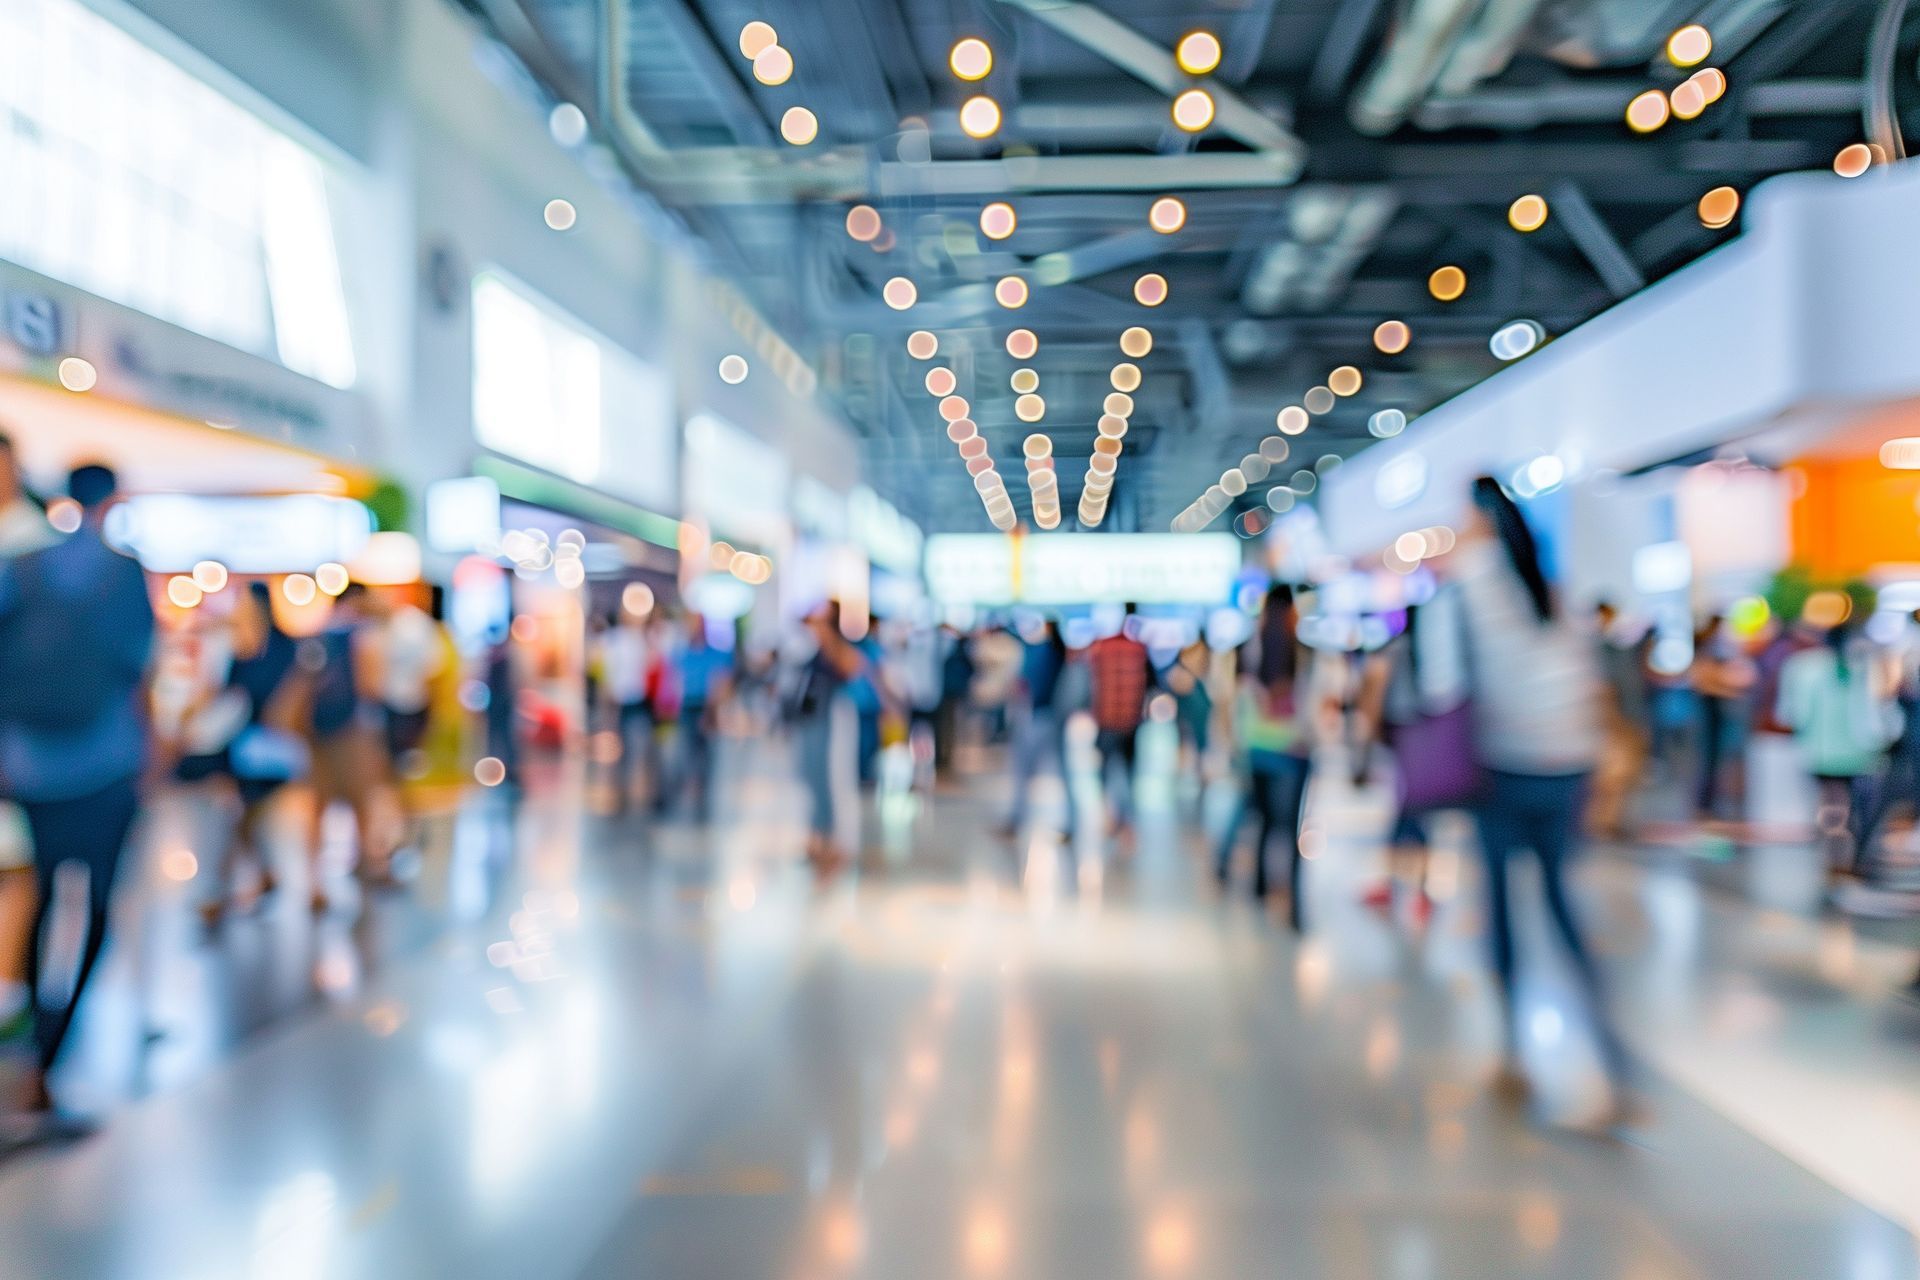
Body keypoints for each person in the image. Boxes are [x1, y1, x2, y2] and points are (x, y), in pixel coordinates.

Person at [1451, 476, 1632, 1122]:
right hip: (1568, 764)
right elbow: (1584, 678)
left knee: (1502, 907)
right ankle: (1615, 1067)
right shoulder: (1552, 581)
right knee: (1563, 906)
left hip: (1505, 764)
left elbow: (1446, 681)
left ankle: (1511, 1054)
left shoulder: (1472, 578)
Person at [0, 463, 155, 1117]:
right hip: (108, 761)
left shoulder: (23, 565)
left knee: (38, 896)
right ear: (115, 499)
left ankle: (36, 1024)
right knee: (94, 903)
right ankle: (53, 1046)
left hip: (32, 765)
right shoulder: (123, 572)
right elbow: (138, 667)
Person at [180, 582, 303, 924]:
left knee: (240, 819)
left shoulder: (282, 648)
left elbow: (289, 699)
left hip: (266, 748)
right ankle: (246, 881)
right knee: (239, 819)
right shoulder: (239, 647)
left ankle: (224, 889)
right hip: (238, 746)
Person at [1775, 609, 1896, 884]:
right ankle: (1854, 858)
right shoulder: (1867, 664)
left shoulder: (1803, 666)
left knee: (1831, 806)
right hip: (1862, 751)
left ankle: (1834, 858)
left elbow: (1792, 713)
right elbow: (1882, 708)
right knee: (1858, 808)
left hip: (1821, 752)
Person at [0, 435, 54, 1037]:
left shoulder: (28, 548)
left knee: (18, 864)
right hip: (26, 740)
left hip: (22, 740)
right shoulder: (34, 546)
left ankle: (11, 986)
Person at [1217, 588, 1313, 925]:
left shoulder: (1249, 648)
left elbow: (1233, 700)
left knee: (1261, 820)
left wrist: (1233, 742)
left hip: (1256, 748)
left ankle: (1258, 888)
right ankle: (1293, 904)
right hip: (1292, 750)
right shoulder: (1300, 650)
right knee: (1288, 828)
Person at [303, 582, 391, 908]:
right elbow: (371, 685)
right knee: (362, 799)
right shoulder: (360, 634)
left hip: (319, 730)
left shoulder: (319, 633)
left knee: (319, 805)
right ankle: (368, 862)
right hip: (354, 728)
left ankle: (313, 880)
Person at [791, 601, 864, 869]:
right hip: (811, 719)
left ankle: (834, 840)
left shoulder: (839, 650)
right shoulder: (811, 651)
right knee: (811, 777)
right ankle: (817, 835)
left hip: (832, 720)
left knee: (832, 778)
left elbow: (853, 668)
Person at [1085, 603, 1156, 842]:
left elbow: (1091, 684)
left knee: (1106, 770)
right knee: (1126, 771)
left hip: (1106, 718)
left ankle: (1115, 816)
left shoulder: (1101, 648)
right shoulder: (1139, 649)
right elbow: (1151, 684)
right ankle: (1126, 820)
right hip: (1130, 720)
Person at [999, 618, 1072, 838]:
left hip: (1038, 717)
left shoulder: (1043, 653)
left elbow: (1030, 684)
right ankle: (1070, 824)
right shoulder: (1060, 655)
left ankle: (1016, 821)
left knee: (1022, 772)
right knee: (1062, 775)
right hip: (1053, 718)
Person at [1588, 600, 1653, 840]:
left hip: (1629, 717)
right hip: (1618, 721)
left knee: (1626, 775)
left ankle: (1611, 821)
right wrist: (1614, 720)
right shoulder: (1601, 650)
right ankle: (1604, 822)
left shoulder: (1616, 650)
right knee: (1614, 776)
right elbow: (1605, 689)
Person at [1690, 613, 1754, 819]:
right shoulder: (1706, 650)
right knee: (1709, 759)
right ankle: (1705, 805)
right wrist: (1731, 691)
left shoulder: (1714, 650)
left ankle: (1710, 803)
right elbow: (1703, 682)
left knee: (1716, 759)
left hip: (1714, 711)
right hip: (1708, 712)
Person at [670, 612, 733, 820]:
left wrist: (713, 709)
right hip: (687, 706)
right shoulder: (681, 654)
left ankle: (703, 787)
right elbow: (674, 682)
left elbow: (722, 682)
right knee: (687, 749)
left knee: (706, 751)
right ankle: (690, 785)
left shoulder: (717, 654)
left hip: (707, 706)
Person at [598, 605, 657, 810]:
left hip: (640, 700)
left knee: (639, 746)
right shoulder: (614, 640)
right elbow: (607, 670)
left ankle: (638, 787)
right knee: (620, 747)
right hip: (620, 700)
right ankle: (620, 789)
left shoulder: (642, 639)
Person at [933, 625, 974, 778]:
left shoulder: (956, 650)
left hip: (950, 692)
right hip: (945, 692)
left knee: (948, 726)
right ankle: (943, 757)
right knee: (945, 726)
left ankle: (946, 757)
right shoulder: (954, 649)